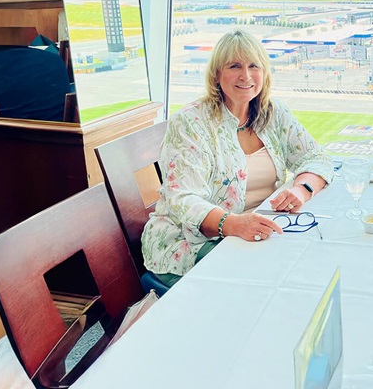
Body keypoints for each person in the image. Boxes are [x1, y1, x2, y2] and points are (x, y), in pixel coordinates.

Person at [141, 30, 333, 287]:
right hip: (189, 242)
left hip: (256, 233)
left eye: (254, 66)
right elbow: (183, 200)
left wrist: (302, 189)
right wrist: (233, 224)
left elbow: (315, 156)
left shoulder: (274, 113)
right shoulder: (190, 123)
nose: (246, 75)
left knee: (314, 261)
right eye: (234, 66)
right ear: (216, 74)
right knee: (271, 279)